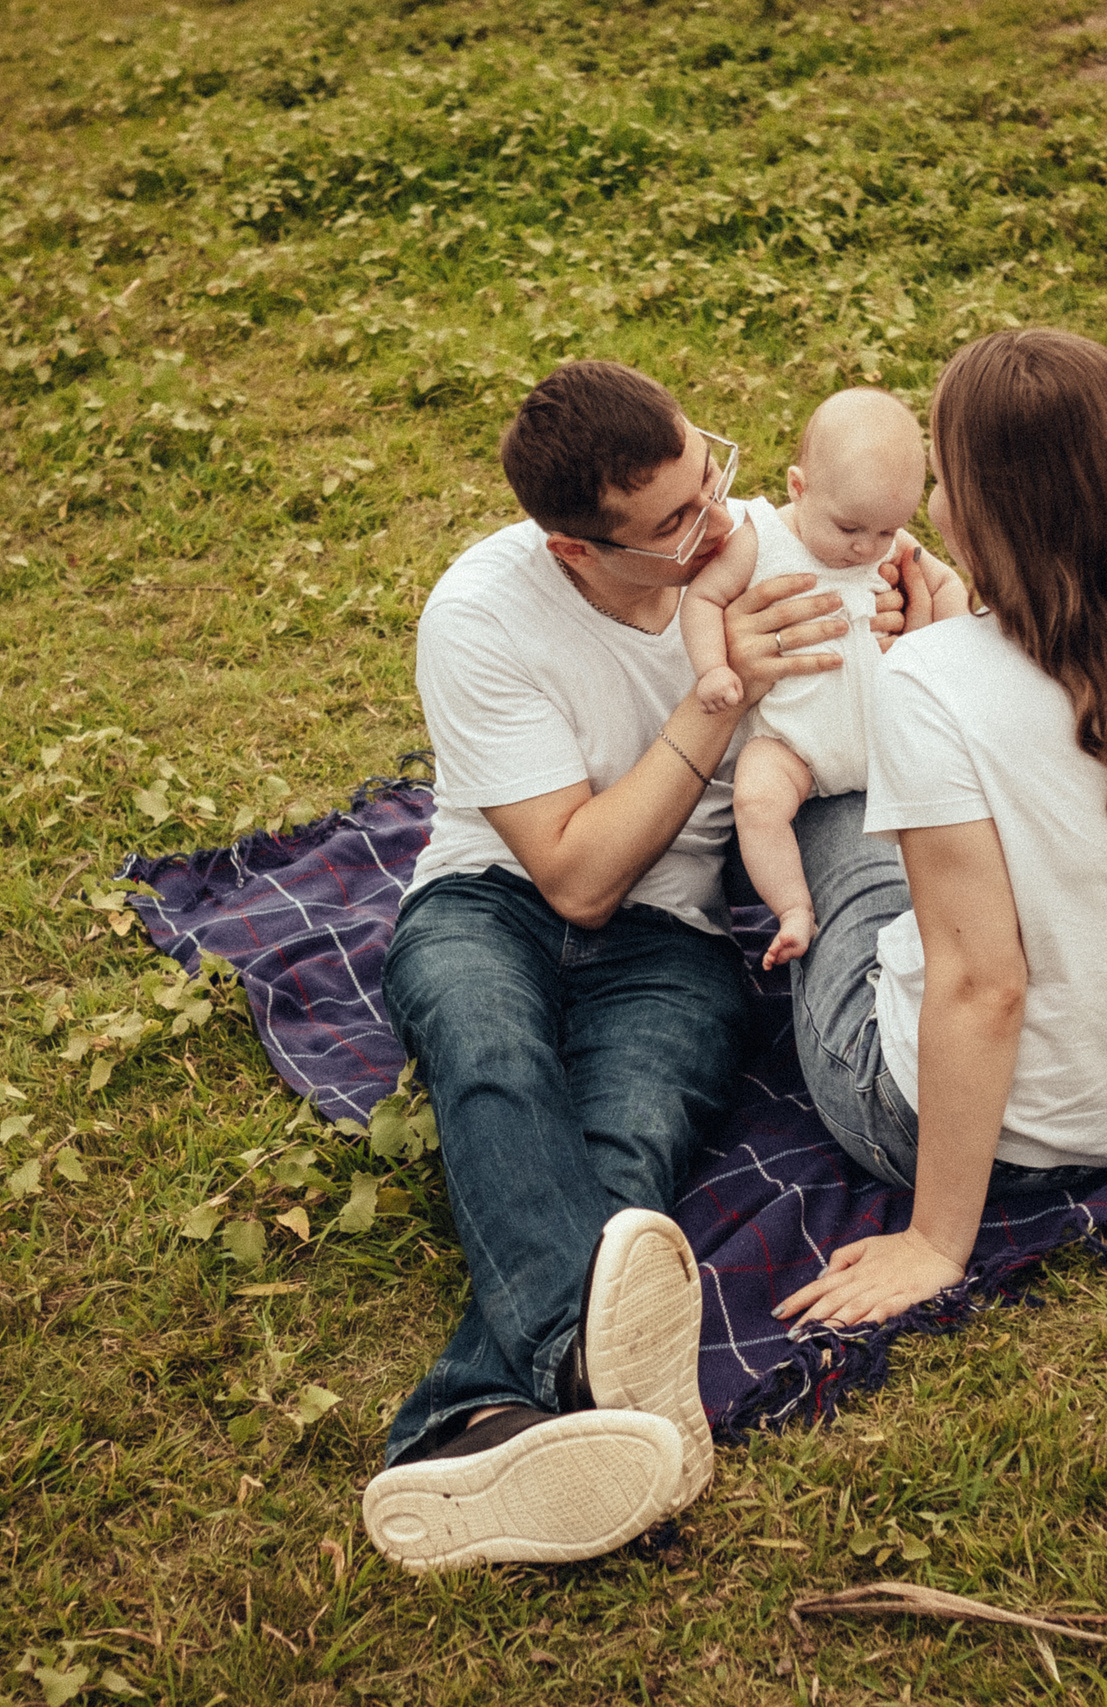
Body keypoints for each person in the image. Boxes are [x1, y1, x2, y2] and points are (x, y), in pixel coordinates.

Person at [359, 360, 944, 1572]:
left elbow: (902, 645)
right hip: (493, 899)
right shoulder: (482, 612)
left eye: (708, 471)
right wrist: (718, 697)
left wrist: (914, 628)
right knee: (491, 1063)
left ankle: (478, 1421)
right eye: (675, 520)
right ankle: (588, 1372)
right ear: (579, 550)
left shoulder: (769, 557)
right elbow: (574, 875)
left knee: (627, 1152)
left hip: (674, 941)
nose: (716, 518)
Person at [773, 328, 1107, 1332]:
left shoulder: (928, 682)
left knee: (828, 805)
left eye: (942, 472)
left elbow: (983, 985)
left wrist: (937, 1241)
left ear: (984, 509)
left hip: (978, 1136)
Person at [676, 388, 931, 968]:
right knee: (757, 800)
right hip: (794, 743)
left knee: (942, 813)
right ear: (799, 487)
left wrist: (926, 630)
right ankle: (793, 910)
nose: (867, 547)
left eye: (887, 531)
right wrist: (714, 668)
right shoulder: (759, 537)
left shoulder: (891, 545)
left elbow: (943, 590)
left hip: (883, 734)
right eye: (849, 529)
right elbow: (703, 600)